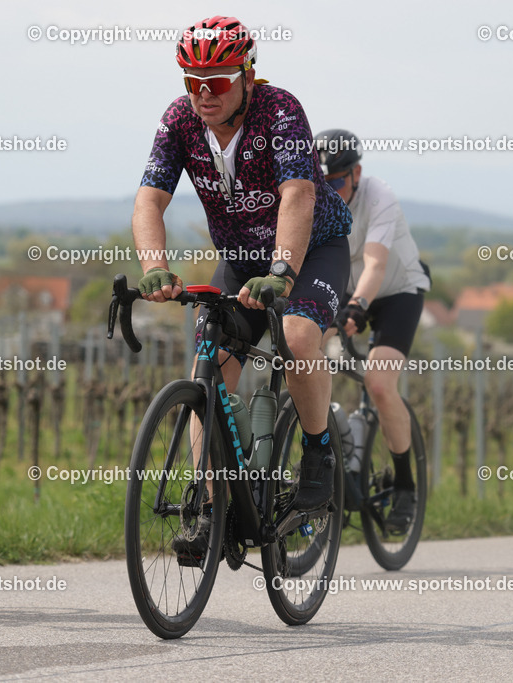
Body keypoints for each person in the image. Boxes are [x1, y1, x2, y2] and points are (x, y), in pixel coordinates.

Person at [131, 16, 352, 557]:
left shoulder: (280, 110)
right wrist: (155, 265)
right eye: (192, 80)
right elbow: (149, 200)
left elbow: (297, 195)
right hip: (238, 259)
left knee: (299, 339)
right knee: (209, 370)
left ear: (247, 75)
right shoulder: (179, 121)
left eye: (218, 81)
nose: (204, 93)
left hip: (310, 250)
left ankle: (319, 452)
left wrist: (282, 272)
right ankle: (211, 507)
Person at [315, 129, 430, 533]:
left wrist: (358, 307)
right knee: (307, 357)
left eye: (338, 181)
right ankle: (323, 465)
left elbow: (375, 265)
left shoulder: (379, 196)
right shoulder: (312, 194)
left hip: (396, 292)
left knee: (380, 385)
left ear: (356, 173)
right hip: (345, 290)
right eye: (322, 180)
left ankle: (404, 487)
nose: (331, 189)